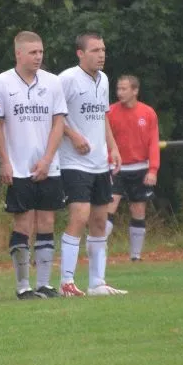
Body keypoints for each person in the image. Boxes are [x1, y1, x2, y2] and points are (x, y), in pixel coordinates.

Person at [0, 31, 67, 300]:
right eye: (33, 52)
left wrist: (47, 159)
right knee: (23, 223)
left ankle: (44, 284)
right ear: (18, 54)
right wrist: (5, 161)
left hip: (48, 165)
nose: (38, 57)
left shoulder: (52, 82)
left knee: (47, 221)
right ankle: (23, 285)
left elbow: (59, 122)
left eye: (40, 52)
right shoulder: (1, 82)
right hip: (18, 166)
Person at [57, 33, 127, 297]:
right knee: (79, 216)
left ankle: (97, 282)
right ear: (80, 53)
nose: (101, 55)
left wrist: (113, 148)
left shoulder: (104, 80)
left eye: (103, 49)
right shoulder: (67, 79)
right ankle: (66, 282)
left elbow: (103, 117)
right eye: (95, 50)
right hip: (74, 162)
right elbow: (54, 116)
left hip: (99, 163)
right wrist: (73, 135)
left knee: (99, 220)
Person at [105, 75, 159, 261]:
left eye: (124, 89)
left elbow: (153, 143)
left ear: (135, 91)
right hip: (115, 168)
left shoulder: (148, 113)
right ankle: (98, 251)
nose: (120, 92)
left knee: (138, 210)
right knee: (109, 207)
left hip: (140, 168)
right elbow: (104, 140)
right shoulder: (110, 112)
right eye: (118, 89)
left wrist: (153, 170)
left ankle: (135, 256)